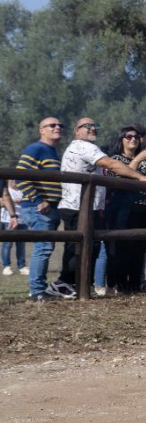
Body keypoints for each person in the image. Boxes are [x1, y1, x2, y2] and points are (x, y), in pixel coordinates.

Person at [57, 117, 146, 295]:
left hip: (90, 207)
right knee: (80, 249)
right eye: (87, 126)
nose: (92, 129)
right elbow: (113, 166)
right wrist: (141, 177)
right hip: (80, 206)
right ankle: (67, 284)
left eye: (95, 126)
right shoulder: (84, 146)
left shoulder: (86, 147)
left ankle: (81, 287)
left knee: (90, 248)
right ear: (76, 131)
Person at [104, 126, 146, 294]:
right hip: (122, 212)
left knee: (140, 249)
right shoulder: (115, 159)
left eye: (136, 137)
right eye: (128, 136)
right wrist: (137, 160)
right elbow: (120, 178)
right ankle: (119, 285)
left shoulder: (144, 162)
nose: (133, 139)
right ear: (121, 140)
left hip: (143, 211)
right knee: (122, 249)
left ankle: (135, 285)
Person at [15, 117, 66, 301]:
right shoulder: (35, 149)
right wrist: (38, 200)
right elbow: (19, 176)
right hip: (39, 208)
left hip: (51, 208)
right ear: (41, 130)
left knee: (46, 247)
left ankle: (38, 289)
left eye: (60, 125)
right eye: (52, 125)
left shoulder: (53, 152)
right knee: (43, 248)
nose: (57, 127)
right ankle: (36, 291)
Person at [1, 179, 26, 276]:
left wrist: (22, 200)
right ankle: (6, 266)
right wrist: (12, 201)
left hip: (23, 220)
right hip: (8, 220)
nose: (14, 181)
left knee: (21, 245)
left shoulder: (23, 191)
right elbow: (2, 201)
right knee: (7, 244)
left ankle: (22, 266)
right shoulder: (6, 190)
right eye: (12, 179)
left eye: (16, 179)